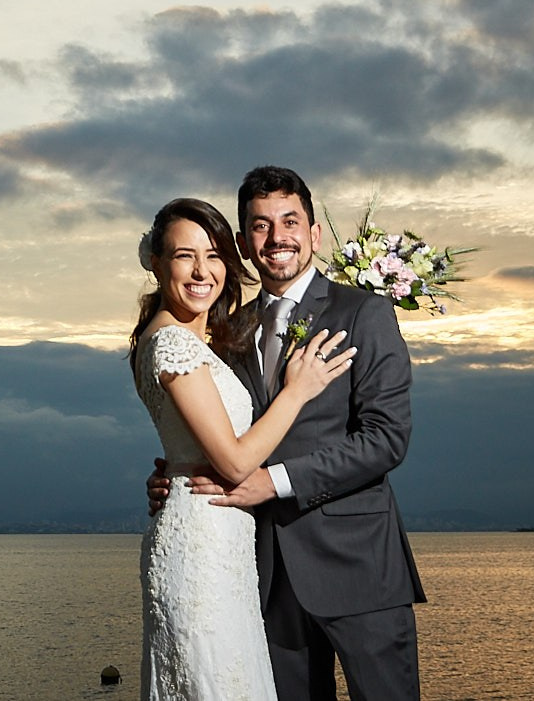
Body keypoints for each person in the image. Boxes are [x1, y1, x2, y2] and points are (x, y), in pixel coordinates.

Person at [150, 166, 425, 701]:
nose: (277, 238)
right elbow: (215, 427)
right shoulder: (230, 329)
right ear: (245, 243)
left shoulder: (364, 312)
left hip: (359, 568)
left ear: (314, 233)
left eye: (290, 221)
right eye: (260, 225)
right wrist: (175, 476)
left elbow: (387, 438)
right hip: (263, 577)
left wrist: (271, 482)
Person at [132, 196, 356, 701]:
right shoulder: (173, 344)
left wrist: (177, 470)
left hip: (221, 540)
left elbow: (189, 439)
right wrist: (298, 389)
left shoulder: (204, 338)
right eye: (184, 255)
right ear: (156, 262)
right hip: (202, 544)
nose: (201, 270)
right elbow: (233, 461)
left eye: (213, 255)